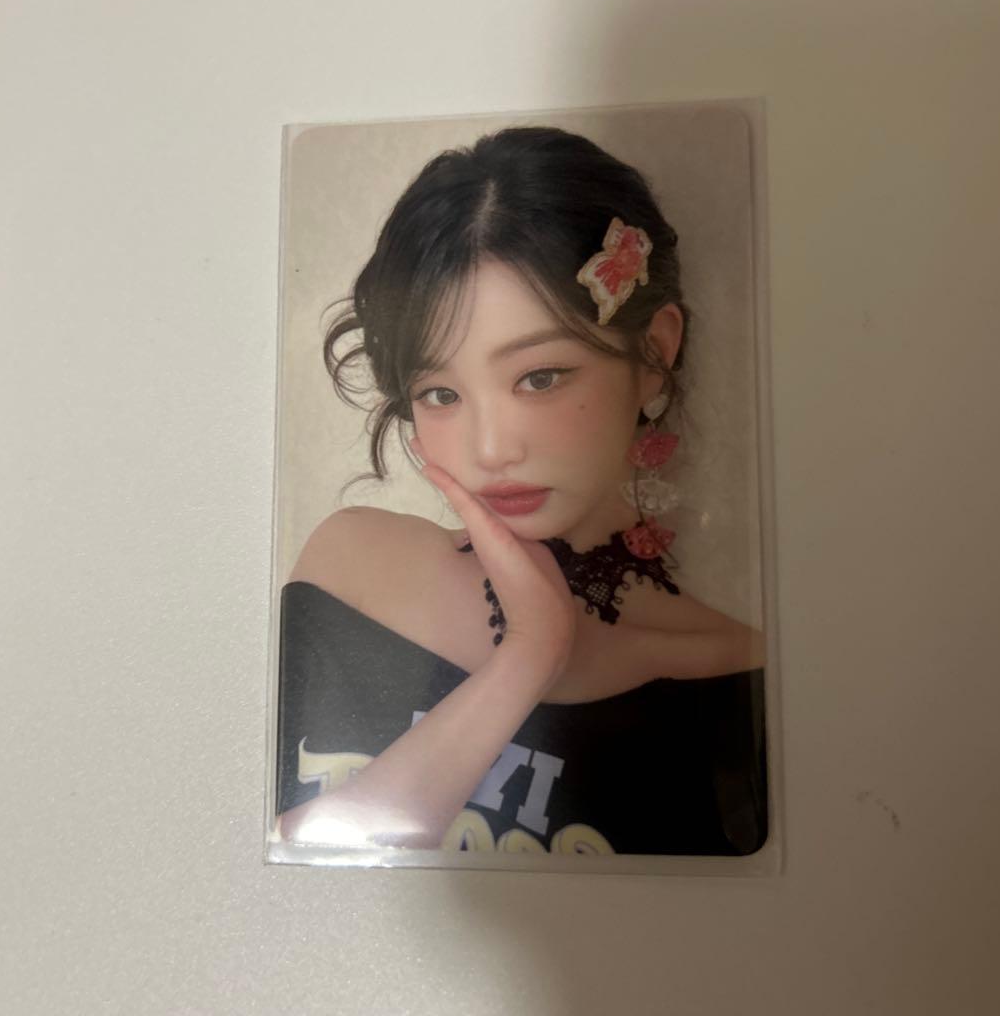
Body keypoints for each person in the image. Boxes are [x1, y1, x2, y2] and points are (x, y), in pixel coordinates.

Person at [274, 126, 767, 856]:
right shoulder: (353, 564)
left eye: (539, 378)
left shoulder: (735, 673)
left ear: (653, 355)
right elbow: (274, 886)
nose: (490, 450)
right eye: (441, 394)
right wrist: (529, 654)